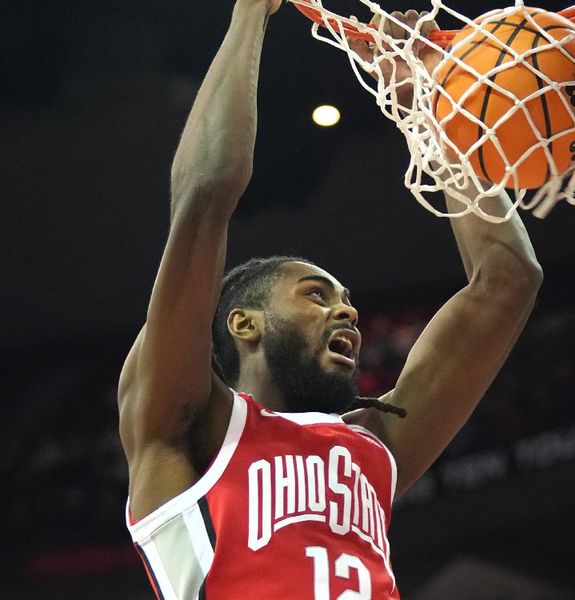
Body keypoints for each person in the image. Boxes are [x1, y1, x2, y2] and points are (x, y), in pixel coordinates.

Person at [117, 0, 542, 598]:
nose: (346, 311)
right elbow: (205, 196)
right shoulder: (186, 428)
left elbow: (508, 280)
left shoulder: (373, 445)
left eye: (344, 299)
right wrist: (249, 16)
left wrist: (427, 100)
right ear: (243, 323)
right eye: (316, 295)